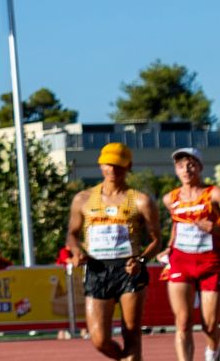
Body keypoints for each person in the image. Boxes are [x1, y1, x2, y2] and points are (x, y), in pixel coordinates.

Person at [65, 143, 161, 361]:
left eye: (119, 165)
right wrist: (76, 251)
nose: (113, 170)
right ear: (101, 165)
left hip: (129, 270)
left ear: (128, 166)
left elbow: (157, 240)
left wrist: (142, 259)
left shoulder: (141, 201)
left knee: (132, 334)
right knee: (99, 339)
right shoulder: (83, 199)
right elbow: (72, 233)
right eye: (108, 164)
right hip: (97, 269)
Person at [159, 148, 220, 361]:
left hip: (209, 262)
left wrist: (216, 230)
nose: (186, 170)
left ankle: (212, 352)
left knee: (209, 325)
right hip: (180, 261)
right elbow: (176, 225)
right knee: (182, 322)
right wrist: (169, 246)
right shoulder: (170, 199)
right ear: (175, 170)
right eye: (180, 166)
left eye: (191, 164)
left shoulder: (215, 193)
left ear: (200, 167)